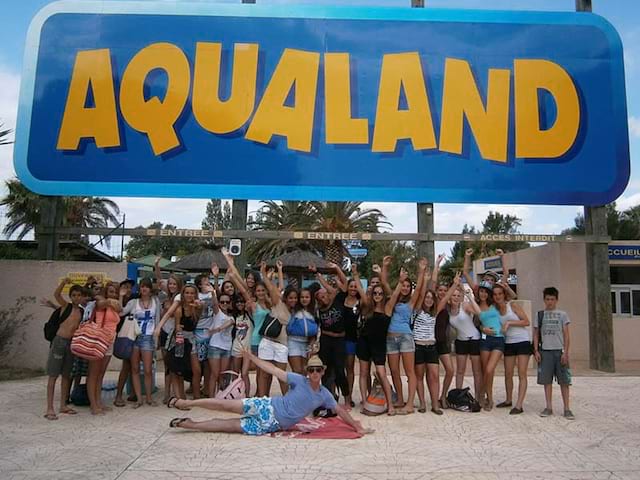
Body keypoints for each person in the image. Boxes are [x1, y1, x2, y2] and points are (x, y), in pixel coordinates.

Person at [168, 351, 372, 436]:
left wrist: (355, 426)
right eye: (311, 370)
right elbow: (272, 369)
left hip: (271, 423)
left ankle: (190, 424)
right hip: (266, 405)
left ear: (323, 371)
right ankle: (187, 403)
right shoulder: (298, 379)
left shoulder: (325, 395)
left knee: (226, 426)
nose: (315, 373)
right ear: (307, 372)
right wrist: (251, 357)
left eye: (318, 370)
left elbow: (341, 411)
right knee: (224, 405)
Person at [381, 256, 420, 413]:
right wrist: (385, 266)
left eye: (407, 286)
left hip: (405, 337)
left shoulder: (411, 302)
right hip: (390, 338)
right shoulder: (393, 297)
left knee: (410, 372)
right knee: (394, 371)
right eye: (403, 285)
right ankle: (401, 400)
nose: (405, 288)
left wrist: (422, 272)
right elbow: (383, 282)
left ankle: (410, 404)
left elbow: (420, 290)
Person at [356, 265, 396, 415]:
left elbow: (394, 291)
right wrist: (354, 274)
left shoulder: (388, 308)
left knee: (381, 374)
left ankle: (390, 404)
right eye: (375, 293)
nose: (377, 295)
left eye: (380, 293)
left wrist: (383, 270)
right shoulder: (367, 307)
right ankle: (365, 401)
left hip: (379, 345)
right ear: (372, 295)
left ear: (383, 294)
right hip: (364, 343)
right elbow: (360, 288)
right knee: (363, 373)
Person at [438, 272, 484, 401]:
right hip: (461, 341)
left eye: (458, 295)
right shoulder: (447, 311)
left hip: (474, 339)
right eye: (453, 295)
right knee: (460, 371)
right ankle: (458, 396)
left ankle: (479, 397)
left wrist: (469, 297)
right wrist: (455, 284)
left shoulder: (465, 306)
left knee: (476, 372)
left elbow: (479, 313)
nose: (456, 297)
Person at [44, 278, 84, 420]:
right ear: (70, 296)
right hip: (59, 341)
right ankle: (50, 407)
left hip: (71, 344)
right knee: (53, 375)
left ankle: (63, 405)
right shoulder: (65, 306)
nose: (76, 297)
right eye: (74, 295)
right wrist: (63, 283)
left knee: (67, 375)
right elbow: (57, 295)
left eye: (79, 295)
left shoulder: (81, 311)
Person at [313, 262, 350, 408]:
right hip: (326, 340)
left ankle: (347, 399)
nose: (323, 298)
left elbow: (345, 284)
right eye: (319, 297)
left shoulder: (338, 301)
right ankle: (329, 397)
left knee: (341, 371)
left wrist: (336, 269)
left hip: (340, 339)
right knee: (326, 371)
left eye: (324, 295)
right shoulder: (319, 311)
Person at [119, 277, 161, 407]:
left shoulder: (156, 301)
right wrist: (121, 297)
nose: (144, 289)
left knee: (148, 369)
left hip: (148, 338)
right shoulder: (133, 302)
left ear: (150, 289)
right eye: (142, 286)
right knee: (135, 369)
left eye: (147, 286)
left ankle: (149, 397)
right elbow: (121, 312)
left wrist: (156, 339)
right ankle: (139, 399)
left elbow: (158, 320)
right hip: (134, 337)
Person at [534, 287, 574, 420]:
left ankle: (567, 408)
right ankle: (549, 406)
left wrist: (566, 352)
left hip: (559, 351)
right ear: (544, 300)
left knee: (564, 381)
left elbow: (566, 335)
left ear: (556, 300)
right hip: (545, 351)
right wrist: (536, 350)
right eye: (547, 299)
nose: (549, 302)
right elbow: (536, 334)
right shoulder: (540, 315)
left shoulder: (562, 314)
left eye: (552, 299)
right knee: (547, 381)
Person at [86, 282, 122, 415]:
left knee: (100, 374)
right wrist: (107, 299)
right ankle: (93, 404)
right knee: (93, 374)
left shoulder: (113, 306)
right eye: (111, 291)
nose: (114, 294)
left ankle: (98, 401)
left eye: (115, 292)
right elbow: (102, 303)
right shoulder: (101, 302)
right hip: (98, 341)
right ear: (106, 292)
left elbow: (120, 309)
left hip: (109, 342)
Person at [495, 284, 531, 414]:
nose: (498, 296)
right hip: (509, 342)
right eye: (495, 294)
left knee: (522, 373)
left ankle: (519, 405)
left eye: (500, 293)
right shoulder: (496, 311)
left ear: (504, 294)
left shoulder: (513, 306)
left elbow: (526, 322)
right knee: (508, 373)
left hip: (522, 341)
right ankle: (508, 399)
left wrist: (510, 323)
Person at [411, 267, 442, 415]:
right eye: (426, 297)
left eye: (431, 298)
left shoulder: (435, 312)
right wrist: (423, 277)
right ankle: (422, 403)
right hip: (418, 347)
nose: (428, 299)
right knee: (419, 376)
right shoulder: (417, 310)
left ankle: (435, 404)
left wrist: (437, 265)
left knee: (434, 376)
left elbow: (444, 294)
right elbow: (422, 291)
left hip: (431, 347)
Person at [477, 281, 504, 411]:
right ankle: (489, 397)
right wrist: (482, 328)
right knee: (486, 371)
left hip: (498, 339)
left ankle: (483, 394)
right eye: (481, 291)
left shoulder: (495, 304)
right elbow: (476, 324)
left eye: (485, 292)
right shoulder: (476, 306)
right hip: (485, 340)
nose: (483, 294)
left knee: (489, 369)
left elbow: (512, 295)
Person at [207, 292, 235, 397]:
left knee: (222, 375)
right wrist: (213, 293)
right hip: (215, 346)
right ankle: (211, 398)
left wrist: (218, 329)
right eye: (222, 302)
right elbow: (214, 303)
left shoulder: (232, 317)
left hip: (227, 348)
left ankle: (220, 397)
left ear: (230, 303)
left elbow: (230, 323)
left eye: (227, 302)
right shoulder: (217, 313)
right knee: (214, 374)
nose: (224, 303)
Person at [287, 287, 317, 375]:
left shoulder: (314, 311)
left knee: (305, 371)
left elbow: (315, 330)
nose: (304, 299)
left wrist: (312, 346)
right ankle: (296, 389)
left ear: (311, 298)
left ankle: (302, 389)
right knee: (297, 371)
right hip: (293, 342)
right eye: (302, 297)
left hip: (306, 343)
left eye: (307, 297)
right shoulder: (293, 310)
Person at [435, 282, 455, 409]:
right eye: (440, 290)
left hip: (443, 342)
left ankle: (443, 395)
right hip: (431, 341)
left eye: (445, 290)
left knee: (450, 370)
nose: (442, 292)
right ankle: (434, 397)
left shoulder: (449, 306)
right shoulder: (433, 304)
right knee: (433, 374)